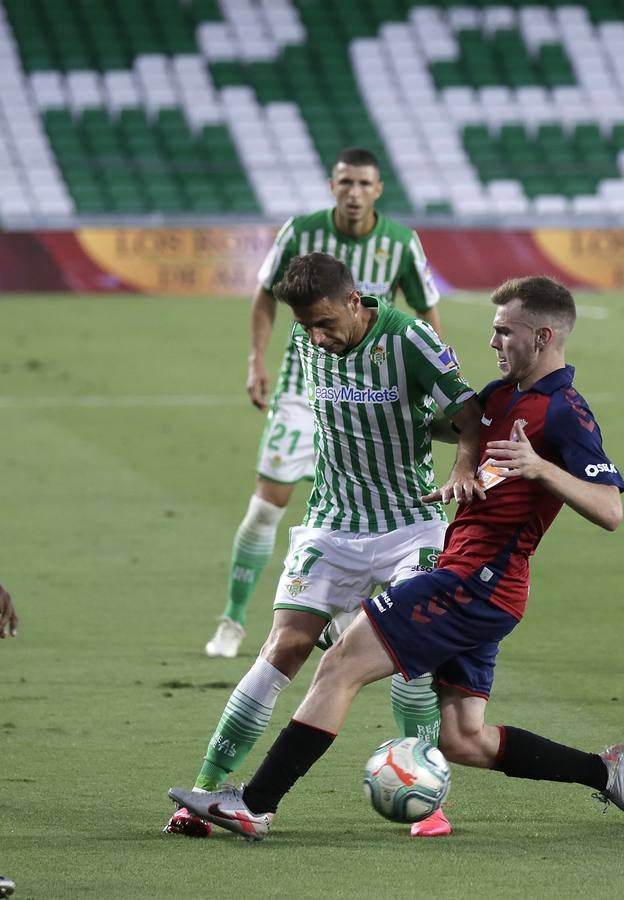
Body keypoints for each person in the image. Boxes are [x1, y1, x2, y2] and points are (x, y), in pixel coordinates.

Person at [170, 275, 624, 840]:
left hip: (476, 583)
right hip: (485, 585)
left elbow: (610, 509)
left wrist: (542, 469)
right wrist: (449, 464)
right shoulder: (502, 397)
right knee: (462, 738)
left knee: (340, 665)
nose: (493, 342)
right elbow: (464, 436)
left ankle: (254, 805)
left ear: (543, 336)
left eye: (504, 331)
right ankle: (604, 772)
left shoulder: (564, 411)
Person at [166, 253, 480, 839]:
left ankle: (428, 804)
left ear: (356, 301)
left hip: (410, 524)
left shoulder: (409, 338)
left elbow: (468, 413)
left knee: (413, 663)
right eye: (306, 325)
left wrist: (463, 461)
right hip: (332, 524)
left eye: (325, 322)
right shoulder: (308, 339)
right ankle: (206, 790)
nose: (316, 335)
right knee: (283, 646)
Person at [206, 146, 442, 659]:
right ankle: (232, 617)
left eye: (363, 184)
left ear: (378, 190)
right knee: (267, 505)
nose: (353, 193)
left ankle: (341, 614)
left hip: (371, 394)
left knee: (364, 513)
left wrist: (434, 379)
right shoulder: (300, 232)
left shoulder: (402, 242)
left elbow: (426, 311)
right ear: (332, 186)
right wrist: (255, 360)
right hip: (302, 388)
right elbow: (265, 293)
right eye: (345, 183)